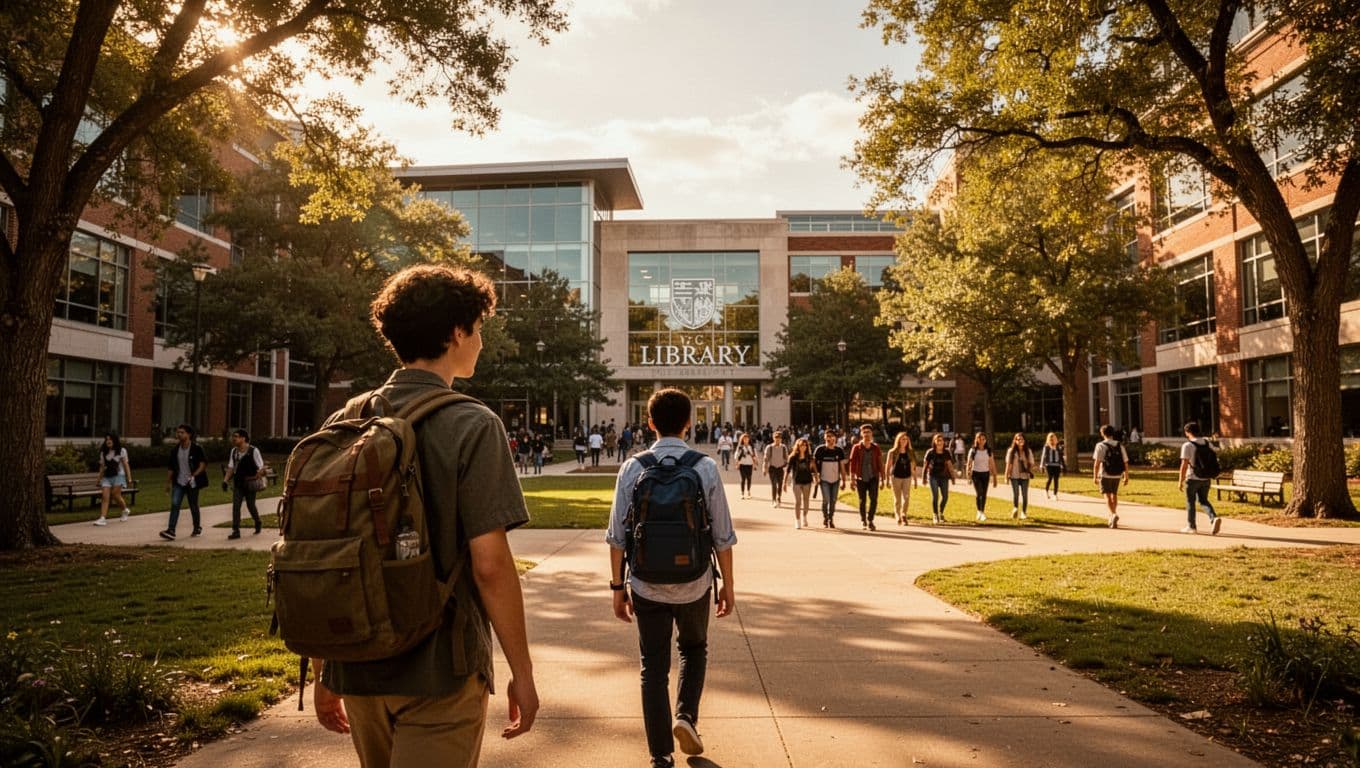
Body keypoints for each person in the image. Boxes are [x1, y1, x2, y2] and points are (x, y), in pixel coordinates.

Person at [310, 263, 537, 767]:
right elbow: (491, 566)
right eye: (478, 330)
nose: (480, 342)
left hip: (358, 665)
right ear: (457, 332)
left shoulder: (345, 419)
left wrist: (325, 668)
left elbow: (329, 553)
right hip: (441, 667)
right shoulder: (473, 425)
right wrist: (522, 672)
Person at [606, 388, 737, 768]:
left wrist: (617, 588)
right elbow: (723, 536)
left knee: (653, 666)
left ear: (649, 423)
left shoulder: (633, 468)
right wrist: (727, 584)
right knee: (694, 650)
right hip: (694, 581)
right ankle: (686, 717)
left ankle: (660, 754)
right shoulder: (705, 467)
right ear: (688, 424)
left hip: (645, 584)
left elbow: (616, 536)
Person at [160, 424, 207, 540]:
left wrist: (194, 475)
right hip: (179, 482)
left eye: (182, 432)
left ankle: (197, 527)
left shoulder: (196, 448)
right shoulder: (175, 450)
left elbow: (203, 464)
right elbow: (171, 468)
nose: (179, 434)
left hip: (192, 482)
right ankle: (171, 530)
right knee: (175, 504)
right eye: (178, 432)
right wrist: (167, 483)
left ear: (189, 434)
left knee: (193, 505)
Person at [1178, 420, 1222, 535]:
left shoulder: (1187, 445)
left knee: (1190, 502)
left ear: (1188, 432)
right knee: (1204, 500)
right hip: (1206, 477)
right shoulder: (1207, 443)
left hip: (1192, 477)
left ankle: (1191, 527)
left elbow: (1184, 464)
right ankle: (1213, 518)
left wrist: (1180, 480)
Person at [222, 428, 265, 539]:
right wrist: (225, 480)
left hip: (250, 482)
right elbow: (231, 467)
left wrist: (258, 476)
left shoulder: (253, 450)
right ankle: (236, 530)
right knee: (236, 506)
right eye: (233, 436)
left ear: (243, 438)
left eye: (236, 436)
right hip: (238, 483)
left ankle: (257, 521)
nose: (234, 439)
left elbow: (261, 467)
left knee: (251, 505)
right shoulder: (234, 452)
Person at [1092, 424, 1130, 528]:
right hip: (1117, 474)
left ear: (1103, 434)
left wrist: (1094, 476)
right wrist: (1126, 476)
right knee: (1114, 494)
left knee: (1107, 495)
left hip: (1105, 474)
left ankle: (1113, 514)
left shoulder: (1100, 445)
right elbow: (1125, 462)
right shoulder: (1119, 445)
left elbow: (1097, 463)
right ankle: (1112, 515)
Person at [846, 424, 884, 531]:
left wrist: (882, 479)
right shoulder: (856, 448)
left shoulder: (876, 448)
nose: (866, 434)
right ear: (861, 434)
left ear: (872, 434)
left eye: (868, 432)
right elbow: (852, 465)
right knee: (862, 500)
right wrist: (852, 480)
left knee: (874, 499)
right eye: (864, 432)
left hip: (873, 477)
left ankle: (870, 519)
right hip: (861, 478)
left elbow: (880, 463)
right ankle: (863, 520)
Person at [92, 432, 132, 526]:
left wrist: (129, 478)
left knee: (115, 495)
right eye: (107, 439)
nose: (108, 441)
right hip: (107, 477)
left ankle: (124, 510)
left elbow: (126, 465)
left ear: (114, 440)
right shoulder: (103, 453)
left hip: (119, 476)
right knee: (105, 497)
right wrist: (98, 479)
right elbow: (102, 468)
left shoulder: (121, 451)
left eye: (110, 439)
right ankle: (102, 518)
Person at [812, 430, 846, 528]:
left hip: (836, 480)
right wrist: (816, 475)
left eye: (831, 436)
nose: (829, 438)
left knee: (833, 500)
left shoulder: (839, 451)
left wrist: (843, 481)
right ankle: (825, 517)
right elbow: (813, 462)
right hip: (824, 479)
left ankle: (831, 518)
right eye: (827, 436)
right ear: (824, 438)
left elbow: (842, 467)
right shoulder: (820, 449)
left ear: (835, 438)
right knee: (826, 499)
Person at [921, 433, 956, 524]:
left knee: (945, 497)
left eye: (941, 440)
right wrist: (923, 477)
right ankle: (935, 514)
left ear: (944, 442)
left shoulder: (946, 452)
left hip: (944, 477)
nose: (940, 442)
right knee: (935, 496)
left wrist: (953, 477)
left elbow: (949, 465)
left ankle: (941, 513)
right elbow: (925, 465)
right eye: (938, 440)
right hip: (933, 476)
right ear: (935, 442)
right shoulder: (930, 452)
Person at [884, 432, 916, 526]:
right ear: (898, 440)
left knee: (906, 497)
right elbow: (888, 465)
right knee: (897, 499)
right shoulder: (893, 452)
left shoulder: (910, 452)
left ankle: (903, 514)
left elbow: (913, 466)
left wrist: (914, 479)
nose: (904, 441)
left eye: (906, 439)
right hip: (896, 477)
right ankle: (897, 516)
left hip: (907, 477)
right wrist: (886, 479)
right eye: (902, 439)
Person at [965, 432, 998, 522]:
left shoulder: (988, 451)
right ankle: (979, 511)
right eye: (980, 439)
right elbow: (969, 463)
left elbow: (992, 463)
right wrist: (968, 476)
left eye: (983, 439)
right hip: (976, 474)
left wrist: (995, 477)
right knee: (979, 492)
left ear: (985, 440)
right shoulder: (973, 450)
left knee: (984, 494)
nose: (982, 441)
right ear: (976, 440)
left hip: (985, 474)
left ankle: (982, 511)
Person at [784, 437, 816, 529]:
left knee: (806, 501)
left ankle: (804, 516)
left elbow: (814, 468)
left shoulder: (809, 457)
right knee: (798, 501)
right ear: (798, 446)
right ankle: (797, 520)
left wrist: (817, 478)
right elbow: (787, 470)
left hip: (807, 481)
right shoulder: (793, 457)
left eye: (805, 445)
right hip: (796, 481)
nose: (803, 447)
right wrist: (784, 483)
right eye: (802, 445)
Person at [1004, 433, 1035, 520]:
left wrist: (1030, 468)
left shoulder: (1028, 451)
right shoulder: (1011, 451)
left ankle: (1024, 512)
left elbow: (1032, 463)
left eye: (1022, 439)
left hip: (1025, 476)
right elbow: (1008, 465)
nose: (1020, 441)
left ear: (1024, 440)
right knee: (1016, 494)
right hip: (1014, 475)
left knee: (1025, 495)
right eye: (1018, 439)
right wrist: (1006, 476)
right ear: (1015, 441)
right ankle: (1015, 509)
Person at [762, 431, 790, 507]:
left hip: (780, 468)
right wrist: (764, 468)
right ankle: (774, 500)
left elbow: (787, 458)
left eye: (779, 438)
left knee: (780, 484)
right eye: (776, 438)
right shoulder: (769, 447)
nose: (778, 439)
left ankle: (779, 498)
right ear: (773, 438)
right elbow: (766, 459)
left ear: (781, 439)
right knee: (774, 484)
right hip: (772, 468)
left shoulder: (784, 447)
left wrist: (787, 467)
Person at [1040, 432, 1065, 499]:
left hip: (1057, 465)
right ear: (1048, 439)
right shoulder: (1046, 446)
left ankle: (1055, 494)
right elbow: (1043, 456)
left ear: (1055, 439)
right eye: (1051, 438)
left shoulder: (1058, 447)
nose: (1052, 439)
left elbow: (1061, 457)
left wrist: (1062, 465)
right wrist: (1041, 465)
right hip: (1049, 465)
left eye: (1053, 438)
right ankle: (1046, 491)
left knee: (1056, 480)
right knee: (1050, 478)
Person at [734, 433, 758, 499]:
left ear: (749, 439)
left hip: (750, 464)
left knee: (749, 478)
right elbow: (736, 456)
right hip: (742, 464)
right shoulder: (740, 447)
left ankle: (748, 491)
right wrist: (740, 454)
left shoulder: (752, 447)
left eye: (747, 439)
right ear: (742, 440)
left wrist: (755, 461)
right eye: (744, 439)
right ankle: (742, 493)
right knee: (743, 479)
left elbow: (755, 455)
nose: (746, 440)